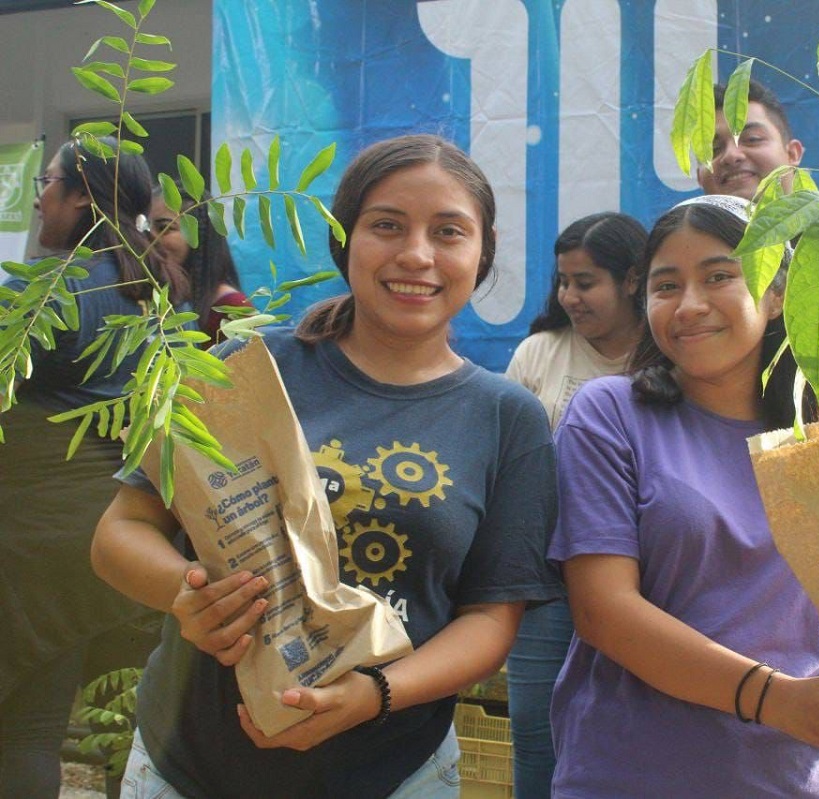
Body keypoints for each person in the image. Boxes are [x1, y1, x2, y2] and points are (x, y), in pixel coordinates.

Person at [91, 134, 562, 799]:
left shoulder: (507, 418)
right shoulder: (245, 368)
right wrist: (185, 593)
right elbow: (121, 531)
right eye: (387, 226)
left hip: (396, 772)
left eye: (449, 231)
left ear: (482, 251)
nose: (417, 254)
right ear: (346, 239)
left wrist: (374, 694)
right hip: (188, 766)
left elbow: (490, 620)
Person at [547, 195, 819, 798]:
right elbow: (603, 611)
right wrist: (779, 701)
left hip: (798, 778)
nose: (690, 304)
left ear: (778, 292)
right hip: (636, 773)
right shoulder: (610, 414)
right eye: (665, 285)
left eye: (721, 275)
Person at [0, 138, 189, 799]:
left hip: (25, 536)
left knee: (20, 725)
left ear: (80, 196)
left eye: (48, 181)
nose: (40, 195)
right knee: (35, 723)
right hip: (104, 534)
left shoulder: (54, 289)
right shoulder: (152, 295)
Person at [503, 211, 646, 799]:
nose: (570, 297)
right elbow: (506, 467)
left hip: (643, 580)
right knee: (537, 729)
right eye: (563, 282)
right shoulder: (539, 352)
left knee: (635, 731)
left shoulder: (667, 355)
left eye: (585, 283)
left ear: (632, 280)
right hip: (545, 580)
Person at [698, 78, 819, 373]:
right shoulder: (688, 253)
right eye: (714, 148)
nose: (732, 156)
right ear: (700, 177)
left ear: (793, 154)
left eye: (751, 139)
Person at [150, 188, 253, 345]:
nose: (150, 237)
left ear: (198, 234)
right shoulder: (156, 301)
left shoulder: (233, 308)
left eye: (164, 228)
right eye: (145, 227)